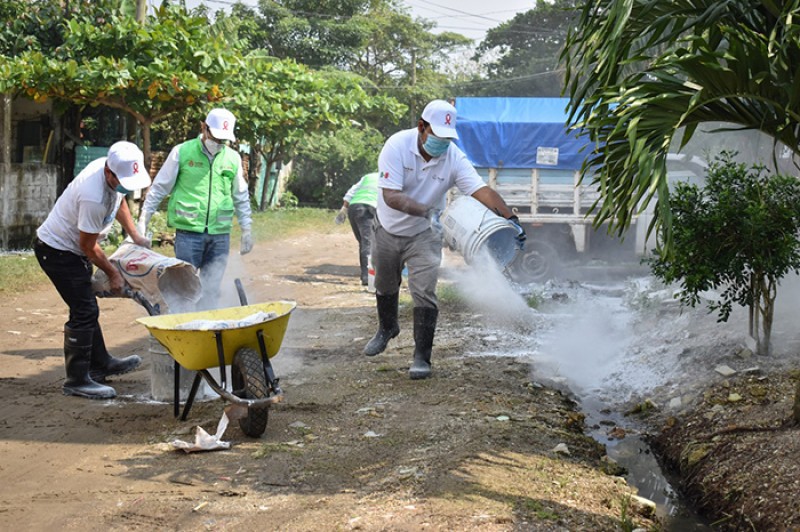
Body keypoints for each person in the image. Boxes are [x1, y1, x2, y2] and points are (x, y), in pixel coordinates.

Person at [364, 99, 525, 380]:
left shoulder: (453, 157)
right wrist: (426, 211)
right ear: (422, 127)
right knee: (385, 284)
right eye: (437, 137)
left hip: (424, 235)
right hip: (388, 229)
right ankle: (387, 328)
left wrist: (510, 218)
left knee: (424, 291)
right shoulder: (396, 146)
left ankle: (421, 358)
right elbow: (390, 196)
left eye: (447, 139)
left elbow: (481, 191)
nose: (442, 144)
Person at [35, 141, 152, 399]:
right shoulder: (93, 195)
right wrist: (114, 274)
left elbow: (119, 201)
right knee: (85, 309)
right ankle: (76, 380)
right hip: (57, 252)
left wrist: (135, 235)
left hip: (73, 251)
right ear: (109, 174)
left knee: (85, 306)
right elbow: (88, 246)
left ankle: (100, 364)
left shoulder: (111, 172)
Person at [137, 108, 253, 310]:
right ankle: (182, 328)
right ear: (204, 128)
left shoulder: (232, 158)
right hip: (189, 235)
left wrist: (247, 228)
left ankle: (207, 330)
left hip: (220, 235)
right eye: (215, 137)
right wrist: (143, 220)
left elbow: (240, 195)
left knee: (211, 289)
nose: (218, 143)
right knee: (184, 288)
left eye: (223, 141)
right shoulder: (182, 152)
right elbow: (159, 188)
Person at [335, 171, 378, 286]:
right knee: (368, 243)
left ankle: (367, 275)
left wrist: (343, 210)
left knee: (364, 243)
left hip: (354, 208)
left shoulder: (368, 177)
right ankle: (368, 278)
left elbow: (350, 192)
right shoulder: (391, 178)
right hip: (368, 208)